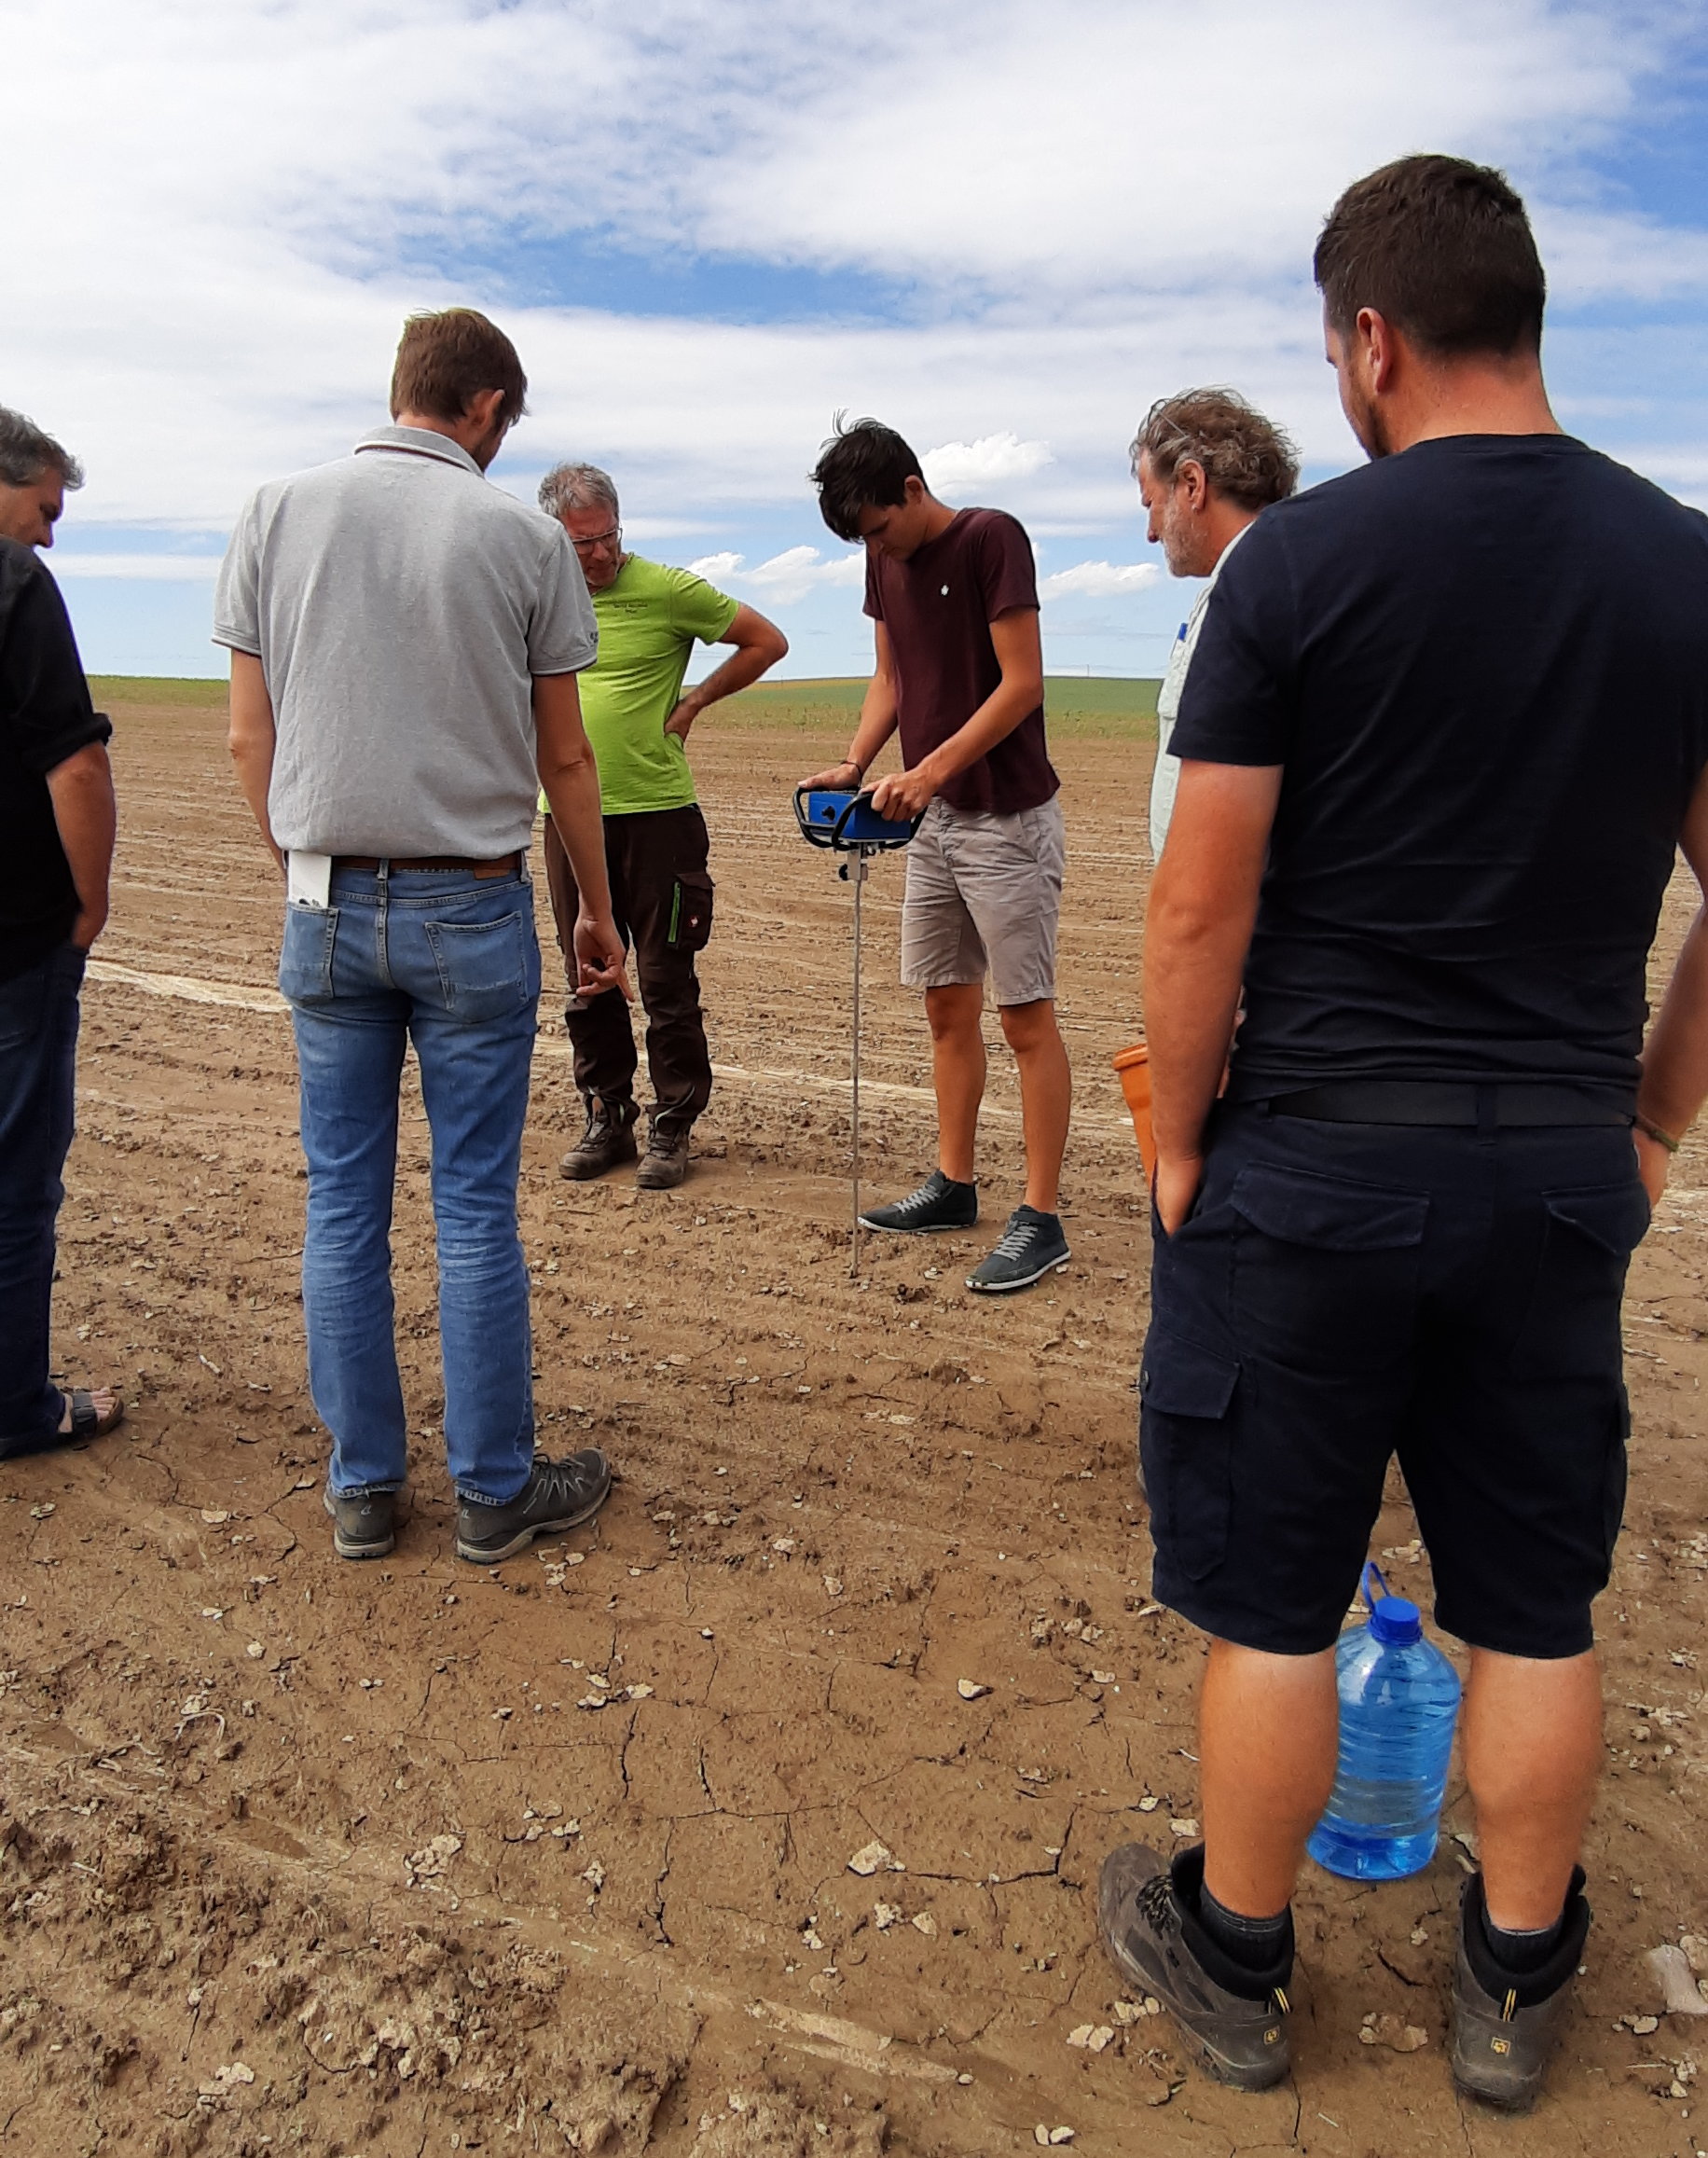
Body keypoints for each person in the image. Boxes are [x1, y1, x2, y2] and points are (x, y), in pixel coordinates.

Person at [1096, 155, 1708, 2110]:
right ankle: (1515, 1978)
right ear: (1524, 312)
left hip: (1314, 1161)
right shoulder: (1680, 563)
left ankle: (1240, 1955)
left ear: (1370, 338)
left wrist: (1177, 1142)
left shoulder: (1298, 564)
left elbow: (1199, 906)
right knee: (1529, 1598)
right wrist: (1652, 1124)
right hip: (1549, 1164)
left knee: (1276, 1593)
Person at [217, 309, 631, 1568]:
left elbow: (250, 736)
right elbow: (565, 750)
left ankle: (362, 1487)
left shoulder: (275, 510)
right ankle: (496, 1492)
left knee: (342, 1204)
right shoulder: (521, 533)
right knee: (472, 1209)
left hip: (327, 899)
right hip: (475, 903)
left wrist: (302, 865)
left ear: (403, 388)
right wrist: (596, 907)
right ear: (489, 404)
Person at [802, 418, 1072, 1293]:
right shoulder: (882, 560)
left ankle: (1042, 1217)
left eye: (879, 528)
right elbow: (892, 679)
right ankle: (955, 1186)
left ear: (912, 490)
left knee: (1024, 1018)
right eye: (862, 540)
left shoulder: (992, 538)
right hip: (935, 823)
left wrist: (930, 769)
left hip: (1006, 817)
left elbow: (1023, 683)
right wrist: (857, 762)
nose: (875, 547)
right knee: (945, 1012)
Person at [536, 463, 788, 1188]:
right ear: (555, 538)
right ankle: (606, 1114)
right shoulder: (540, 595)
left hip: (659, 816)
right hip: (566, 819)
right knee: (590, 976)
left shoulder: (669, 590)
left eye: (608, 537)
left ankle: (672, 1123)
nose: (600, 555)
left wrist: (698, 698)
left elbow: (766, 641)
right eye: (581, 544)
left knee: (665, 974)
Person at [0, 408, 122, 1457]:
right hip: (13, 933)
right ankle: (16, 1409)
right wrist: (89, 900)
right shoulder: (12, 584)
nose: (48, 537)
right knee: (17, 1174)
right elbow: (75, 764)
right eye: (44, 509)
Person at [1133, 392, 1299, 859]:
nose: (1151, 532)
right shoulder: (1280, 575)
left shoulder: (1249, 598)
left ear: (1191, 484)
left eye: (1152, 503)